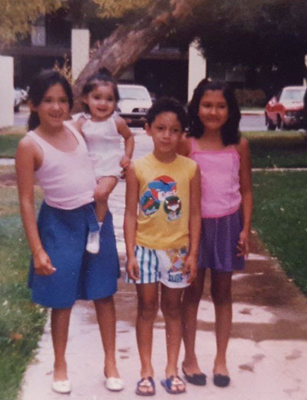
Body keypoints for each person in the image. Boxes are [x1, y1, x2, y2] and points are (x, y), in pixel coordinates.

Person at [15, 69, 123, 394]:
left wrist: (112, 179)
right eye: (48, 101)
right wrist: (37, 250)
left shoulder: (77, 129)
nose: (57, 107)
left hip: (94, 221)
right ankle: (60, 364)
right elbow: (24, 202)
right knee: (62, 299)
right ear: (33, 104)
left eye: (63, 100)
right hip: (58, 225)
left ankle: (111, 362)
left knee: (104, 294)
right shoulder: (29, 145)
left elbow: (107, 155)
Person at [124, 97, 201, 396]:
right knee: (146, 308)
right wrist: (130, 253)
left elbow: (194, 214)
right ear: (147, 130)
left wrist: (193, 253)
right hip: (143, 248)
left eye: (174, 129)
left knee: (173, 308)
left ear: (183, 133)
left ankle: (171, 369)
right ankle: (146, 370)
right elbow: (131, 213)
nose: (167, 135)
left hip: (177, 251)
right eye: (160, 128)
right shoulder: (137, 168)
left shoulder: (191, 169)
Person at [179, 80, 253, 388]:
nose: (213, 111)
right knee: (192, 292)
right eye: (207, 105)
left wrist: (245, 229)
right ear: (197, 107)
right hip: (193, 227)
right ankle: (189, 358)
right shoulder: (187, 143)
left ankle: (221, 359)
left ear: (230, 110)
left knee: (223, 293)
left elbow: (246, 190)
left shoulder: (240, 145)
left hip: (228, 225)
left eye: (221, 106)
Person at [76, 69, 134, 254]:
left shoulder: (116, 122)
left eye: (109, 99)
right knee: (86, 198)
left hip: (110, 167)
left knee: (101, 194)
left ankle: (96, 231)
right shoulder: (81, 122)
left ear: (115, 102)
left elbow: (129, 138)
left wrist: (127, 156)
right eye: (97, 97)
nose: (103, 103)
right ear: (86, 98)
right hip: (88, 168)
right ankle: (87, 226)